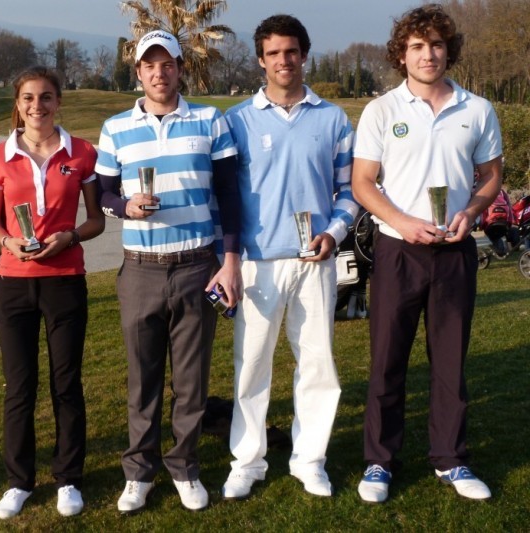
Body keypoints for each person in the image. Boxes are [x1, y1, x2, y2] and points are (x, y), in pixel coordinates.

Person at [351, 4, 502, 503]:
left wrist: (474, 212)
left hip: (455, 252)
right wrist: (402, 222)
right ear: (402, 53)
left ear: (448, 50)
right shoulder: (382, 111)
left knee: (450, 364)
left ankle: (452, 460)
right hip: (398, 252)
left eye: (436, 44)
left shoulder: (476, 109)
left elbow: (492, 176)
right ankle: (379, 462)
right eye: (417, 46)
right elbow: (363, 183)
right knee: (388, 361)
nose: (428, 54)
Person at [97, 30, 242, 513]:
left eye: (168, 64)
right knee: (143, 379)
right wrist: (125, 208)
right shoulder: (116, 127)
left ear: (181, 69)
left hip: (197, 266)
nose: (159, 73)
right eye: (149, 65)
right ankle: (139, 471)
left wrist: (229, 260)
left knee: (192, 381)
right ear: (137, 72)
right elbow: (102, 194)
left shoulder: (209, 119)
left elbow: (229, 195)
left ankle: (184, 466)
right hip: (140, 269)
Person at [221, 14, 358, 500]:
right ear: (261, 60)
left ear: (304, 54)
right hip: (258, 262)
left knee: (318, 364)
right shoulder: (235, 120)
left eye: (292, 51)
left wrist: (335, 232)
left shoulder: (334, 118)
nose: (284, 60)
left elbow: (349, 190)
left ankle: (309, 459)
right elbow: (227, 196)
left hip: (315, 260)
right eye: (274, 52)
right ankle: (247, 460)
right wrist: (229, 256)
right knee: (252, 365)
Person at [0, 66, 104, 519]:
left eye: (46, 97)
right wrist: (9, 241)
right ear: (18, 104)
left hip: (65, 278)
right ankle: (20, 480)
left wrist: (69, 237)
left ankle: (68, 477)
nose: (37, 106)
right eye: (29, 98)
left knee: (66, 383)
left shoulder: (82, 152)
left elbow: (96, 219)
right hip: (13, 281)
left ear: (58, 102)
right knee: (20, 386)